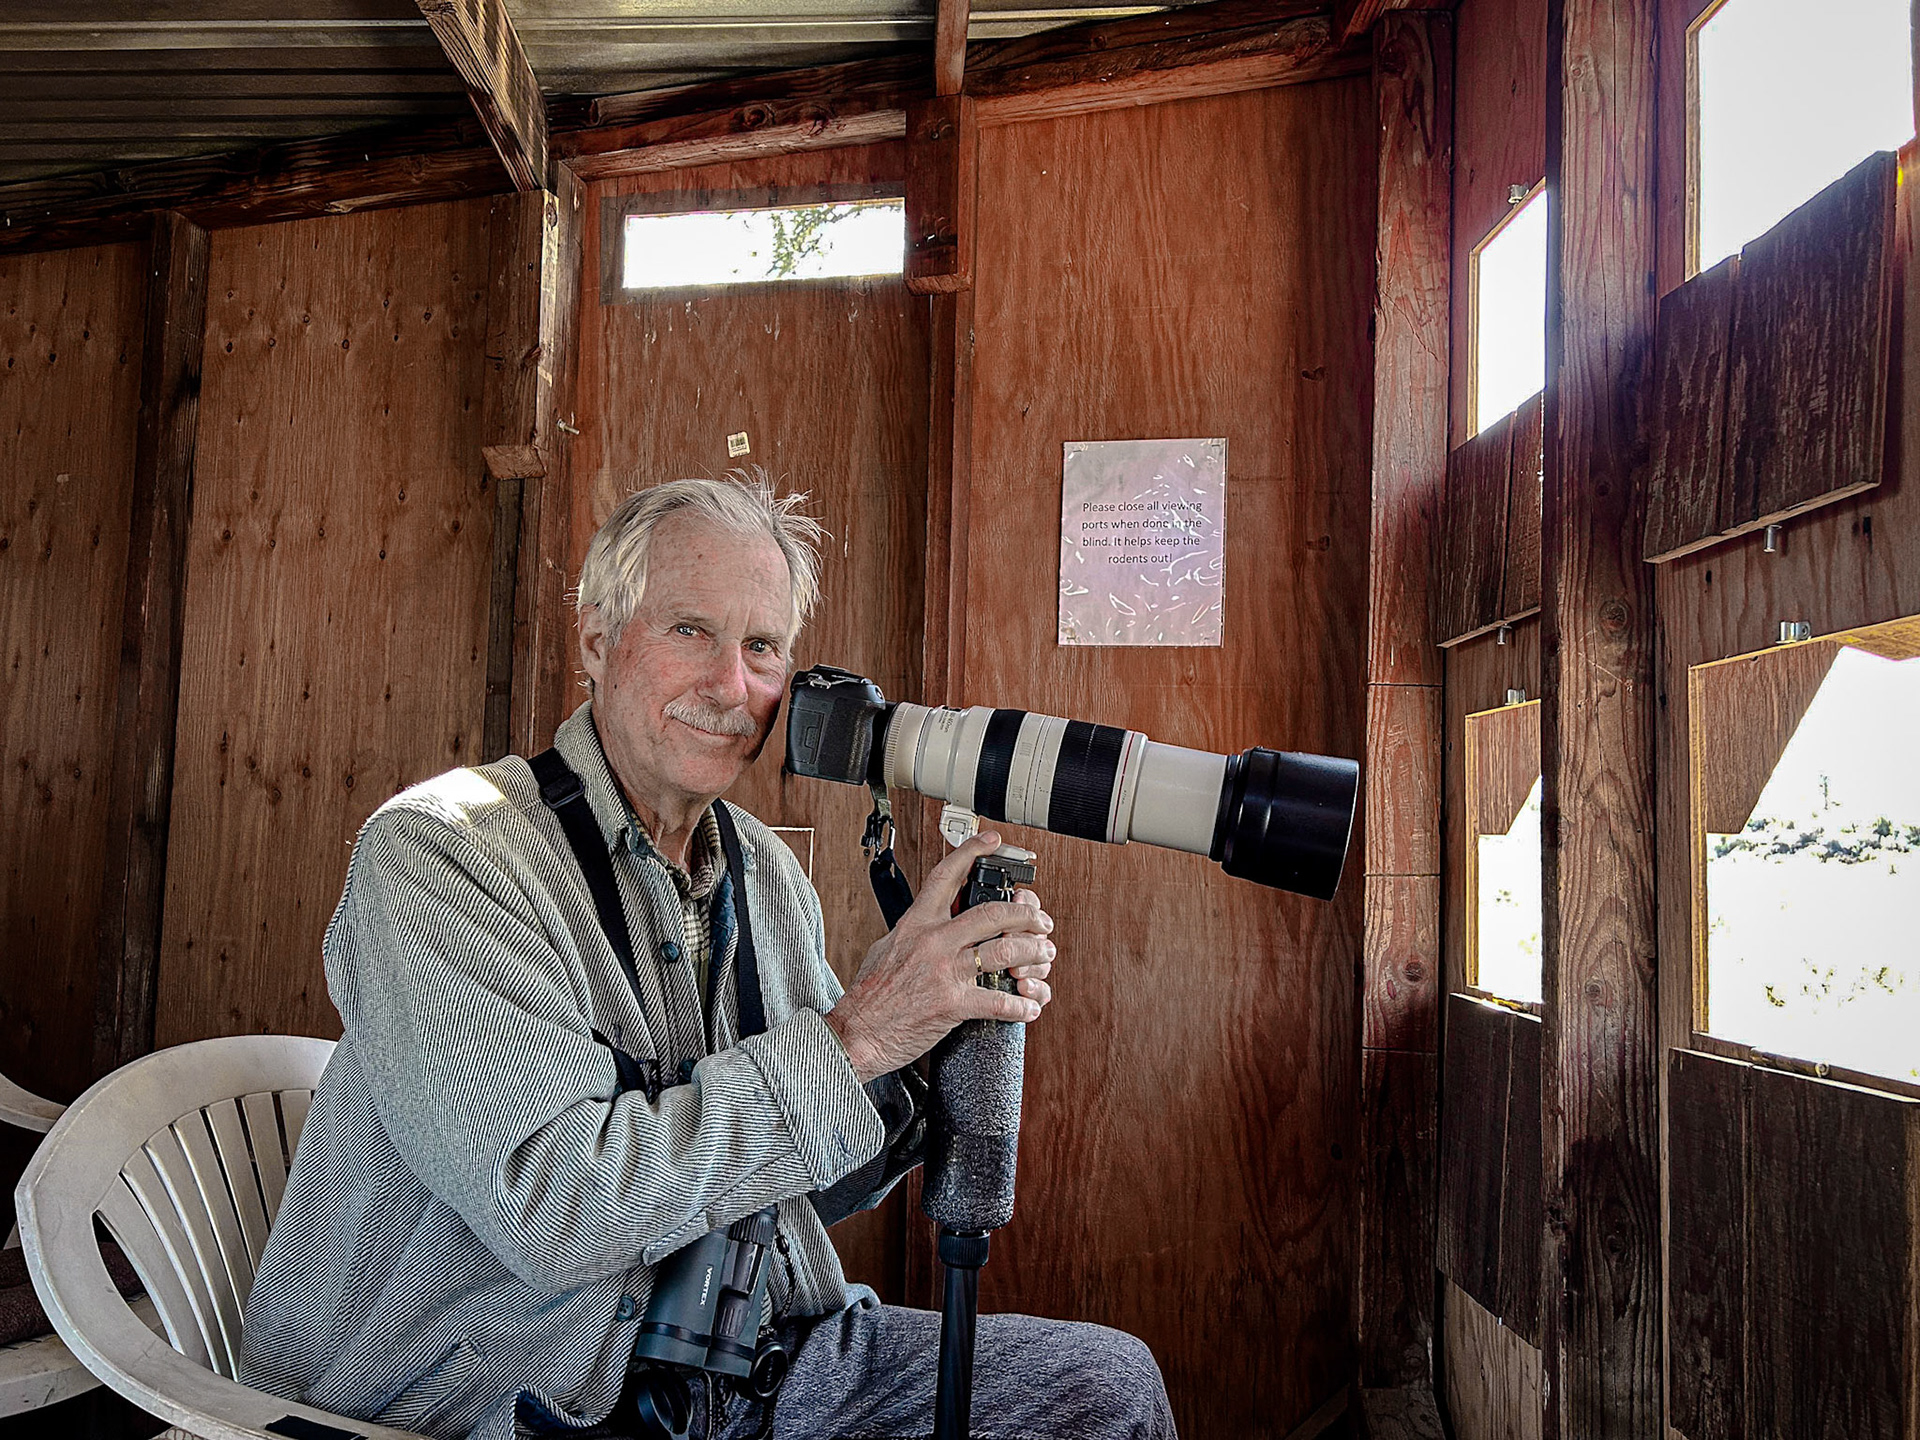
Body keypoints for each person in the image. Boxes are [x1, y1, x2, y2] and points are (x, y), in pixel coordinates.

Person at [239, 474, 1177, 1440]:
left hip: (746, 1361)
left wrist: (926, 1037)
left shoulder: (764, 869)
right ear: (597, 641)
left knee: (1103, 1388)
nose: (735, 687)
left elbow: (827, 1182)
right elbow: (556, 1210)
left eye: (763, 646)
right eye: (691, 630)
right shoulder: (446, 850)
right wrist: (857, 1037)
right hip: (504, 1390)